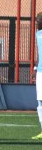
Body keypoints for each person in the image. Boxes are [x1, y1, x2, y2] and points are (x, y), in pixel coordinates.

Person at [32, 12, 42, 140]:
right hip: (40, 71)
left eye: (38, 21)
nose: (36, 23)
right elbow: (39, 53)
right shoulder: (38, 35)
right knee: (40, 102)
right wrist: (35, 67)